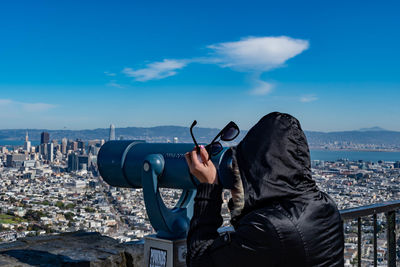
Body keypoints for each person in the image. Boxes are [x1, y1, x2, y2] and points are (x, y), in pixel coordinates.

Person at [184, 112, 344, 267]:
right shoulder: (326, 206)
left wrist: (209, 187)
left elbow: (199, 259)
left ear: (254, 173)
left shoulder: (268, 227)